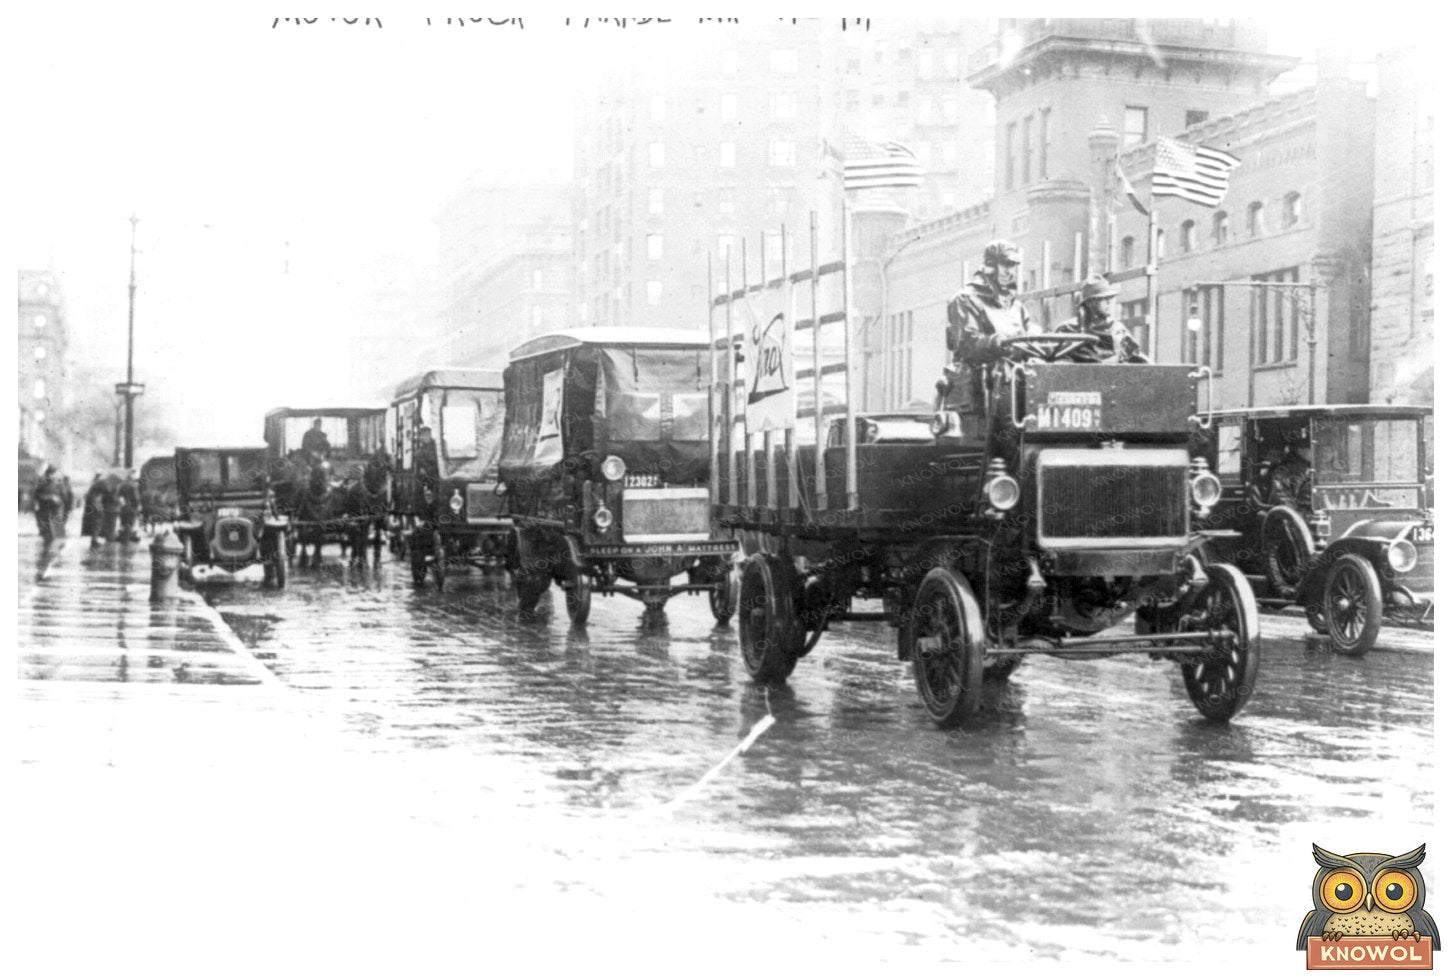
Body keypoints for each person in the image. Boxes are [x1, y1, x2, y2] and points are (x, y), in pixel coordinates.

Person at [946, 239, 1036, 369]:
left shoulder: (1016, 306)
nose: (1009, 272)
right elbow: (967, 344)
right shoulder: (965, 299)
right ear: (990, 266)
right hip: (979, 378)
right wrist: (994, 342)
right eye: (1005, 265)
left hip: (1015, 374)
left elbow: (1028, 334)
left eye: (1012, 266)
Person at [1055, 274, 1147, 364]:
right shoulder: (1067, 329)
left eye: (1110, 297)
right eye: (1103, 298)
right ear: (1089, 302)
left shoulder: (1117, 329)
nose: (1109, 302)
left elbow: (1137, 358)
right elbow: (1058, 365)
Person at [32, 464, 64, 543]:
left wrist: (56, 497)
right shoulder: (43, 479)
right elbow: (38, 494)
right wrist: (51, 497)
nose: (55, 475)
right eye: (54, 473)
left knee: (51, 524)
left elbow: (53, 491)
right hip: (44, 505)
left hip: (50, 505)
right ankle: (49, 542)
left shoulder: (51, 479)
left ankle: (50, 541)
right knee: (47, 524)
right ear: (50, 472)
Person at [117, 470, 141, 543]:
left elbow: (118, 496)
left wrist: (122, 504)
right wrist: (138, 506)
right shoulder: (133, 486)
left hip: (123, 508)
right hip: (131, 508)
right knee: (129, 524)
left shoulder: (122, 485)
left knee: (124, 523)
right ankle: (126, 541)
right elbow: (136, 498)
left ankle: (124, 539)